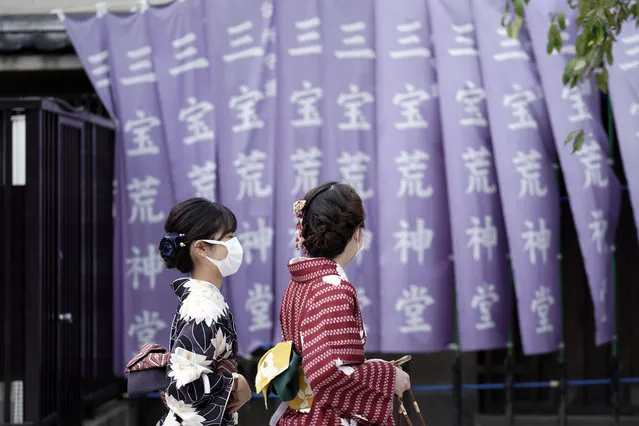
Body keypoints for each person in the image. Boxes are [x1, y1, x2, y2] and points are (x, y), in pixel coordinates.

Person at [270, 182, 411, 425]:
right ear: (357, 233)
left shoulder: (300, 282)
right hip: (325, 417)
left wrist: (368, 367)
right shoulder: (332, 289)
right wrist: (388, 377)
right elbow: (326, 373)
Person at [156, 198, 252, 426]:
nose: (235, 244)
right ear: (201, 248)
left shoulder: (204, 301)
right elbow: (183, 387)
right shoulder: (203, 308)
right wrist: (236, 383)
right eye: (228, 238)